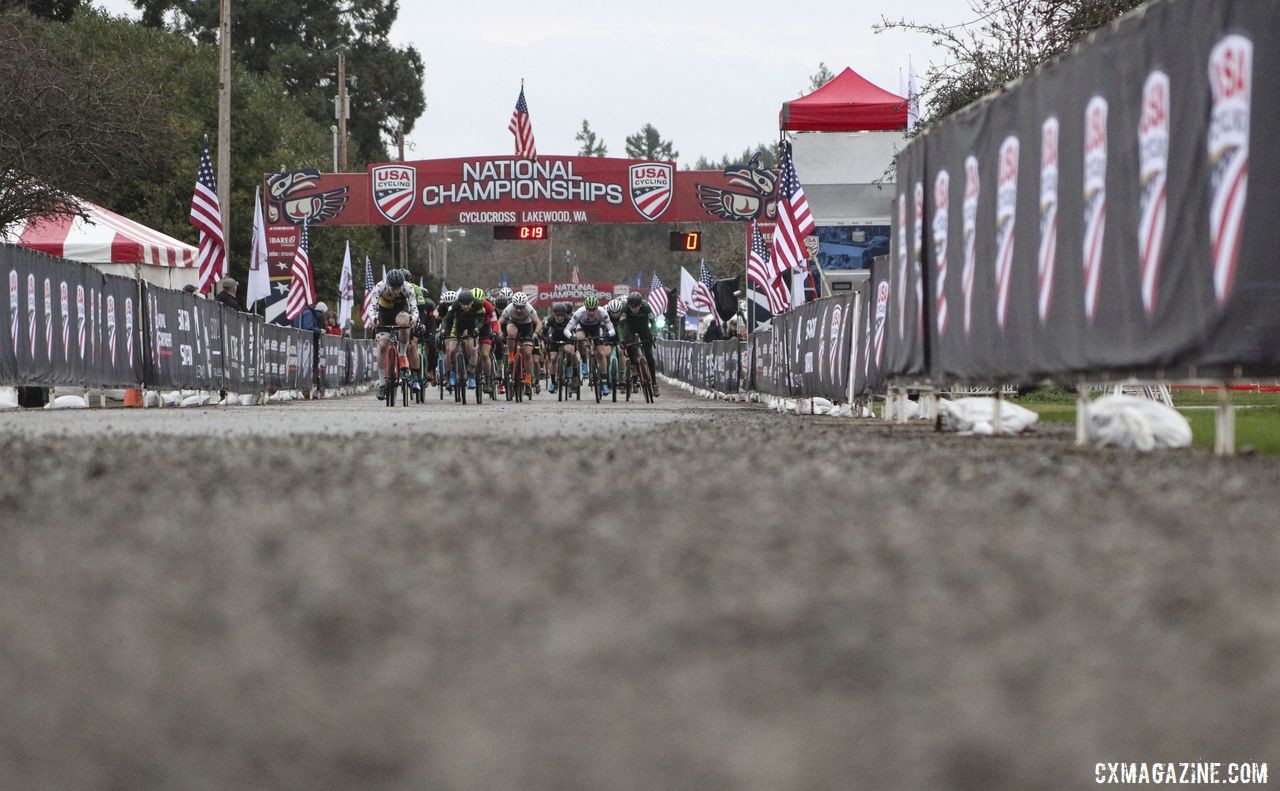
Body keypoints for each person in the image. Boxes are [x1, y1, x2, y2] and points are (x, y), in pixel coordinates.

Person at [366, 270, 419, 399]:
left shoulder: (408, 288)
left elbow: (414, 309)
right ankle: (383, 384)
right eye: (393, 288)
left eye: (398, 288)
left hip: (400, 311)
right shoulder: (380, 287)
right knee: (383, 346)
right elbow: (372, 307)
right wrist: (374, 320)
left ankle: (402, 355)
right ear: (388, 284)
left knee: (404, 322)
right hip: (384, 314)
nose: (396, 291)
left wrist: (413, 319)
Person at [439, 287, 495, 391]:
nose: (465, 307)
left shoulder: (478, 304)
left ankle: (472, 375)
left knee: (473, 349)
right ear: (459, 303)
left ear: (472, 302)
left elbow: (481, 319)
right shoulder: (454, 305)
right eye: (463, 304)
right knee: (451, 350)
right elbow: (447, 320)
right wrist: (443, 330)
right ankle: (452, 373)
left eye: (468, 304)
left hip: (472, 326)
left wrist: (477, 329)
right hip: (458, 326)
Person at [564, 296, 615, 396]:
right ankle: (584, 362)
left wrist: (609, 334)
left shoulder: (602, 312)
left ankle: (604, 382)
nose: (591, 312)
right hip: (582, 327)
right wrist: (571, 337)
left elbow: (612, 329)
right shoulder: (579, 312)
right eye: (589, 310)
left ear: (597, 308)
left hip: (596, 328)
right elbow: (566, 330)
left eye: (593, 310)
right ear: (585, 307)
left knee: (601, 353)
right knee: (579, 338)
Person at [617, 291, 659, 396]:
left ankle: (654, 383)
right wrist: (622, 339)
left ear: (640, 305)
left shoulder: (646, 306)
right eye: (632, 307)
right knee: (630, 347)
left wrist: (654, 333)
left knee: (649, 354)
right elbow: (620, 326)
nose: (634, 309)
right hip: (630, 327)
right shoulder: (625, 308)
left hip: (643, 327)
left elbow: (653, 322)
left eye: (636, 307)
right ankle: (634, 375)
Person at [500, 291, 542, 397]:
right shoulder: (509, 308)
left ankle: (528, 381)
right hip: (513, 323)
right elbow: (499, 321)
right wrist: (500, 333)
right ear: (513, 304)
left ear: (525, 305)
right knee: (511, 333)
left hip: (526, 326)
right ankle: (510, 358)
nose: (519, 310)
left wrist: (535, 334)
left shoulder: (529, 308)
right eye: (516, 307)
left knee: (528, 354)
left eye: (521, 307)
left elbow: (538, 322)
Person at [542, 302, 572, 394]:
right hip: (555, 338)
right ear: (554, 314)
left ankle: (568, 368)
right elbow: (543, 333)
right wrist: (546, 338)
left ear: (565, 315)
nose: (559, 318)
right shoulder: (550, 320)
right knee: (553, 358)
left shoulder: (569, 320)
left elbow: (575, 330)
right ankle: (553, 383)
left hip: (566, 338)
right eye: (557, 315)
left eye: (561, 315)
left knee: (569, 351)